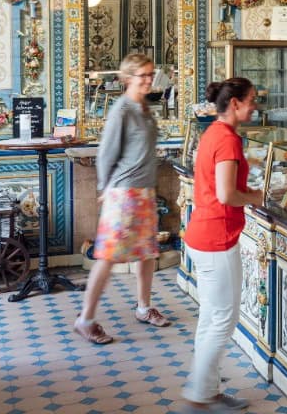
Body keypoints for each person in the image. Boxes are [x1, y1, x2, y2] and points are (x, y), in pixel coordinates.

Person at [75, 53, 171, 345]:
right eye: (141, 75)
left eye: (150, 74)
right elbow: (106, 153)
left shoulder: (144, 108)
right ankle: (86, 319)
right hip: (124, 192)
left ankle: (143, 307)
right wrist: (106, 187)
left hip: (144, 191)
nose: (147, 79)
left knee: (147, 252)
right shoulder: (123, 110)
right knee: (107, 257)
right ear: (127, 77)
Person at [182, 78, 264, 412]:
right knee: (222, 321)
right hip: (218, 236)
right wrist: (256, 196)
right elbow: (226, 194)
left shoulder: (212, 133)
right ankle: (200, 394)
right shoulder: (228, 140)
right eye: (251, 100)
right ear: (235, 104)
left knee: (210, 318)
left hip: (202, 233)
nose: (254, 106)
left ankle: (209, 389)